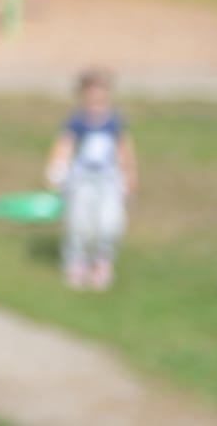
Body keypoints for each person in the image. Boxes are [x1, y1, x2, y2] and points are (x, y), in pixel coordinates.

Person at [44, 68, 137, 291]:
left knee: (109, 222)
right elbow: (64, 145)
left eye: (100, 90)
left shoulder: (115, 121)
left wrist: (130, 175)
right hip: (83, 178)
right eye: (91, 90)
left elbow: (124, 149)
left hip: (107, 178)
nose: (96, 95)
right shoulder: (77, 121)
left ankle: (102, 260)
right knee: (79, 222)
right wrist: (57, 169)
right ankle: (77, 261)